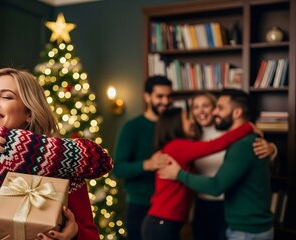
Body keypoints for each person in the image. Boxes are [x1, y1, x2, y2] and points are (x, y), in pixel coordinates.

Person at [0, 67, 113, 239]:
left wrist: (74, 234)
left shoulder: (59, 166)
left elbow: (90, 234)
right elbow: (101, 159)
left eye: (6, 96)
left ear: (29, 112)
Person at [159, 89, 274, 240]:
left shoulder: (231, 136)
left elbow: (225, 148)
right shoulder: (192, 137)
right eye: (195, 107)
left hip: (226, 204)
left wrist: (272, 148)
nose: (202, 111)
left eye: (207, 106)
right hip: (202, 203)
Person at [141, 107, 255, 240]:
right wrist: (248, 127)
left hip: (165, 223)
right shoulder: (176, 146)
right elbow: (214, 146)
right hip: (161, 223)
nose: (191, 122)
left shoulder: (178, 147)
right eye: (187, 118)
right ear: (176, 124)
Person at [113, 76, 173, 240]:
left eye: (169, 96)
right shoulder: (132, 127)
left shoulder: (174, 126)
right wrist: (148, 164)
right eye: (160, 96)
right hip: (140, 204)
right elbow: (118, 169)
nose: (166, 101)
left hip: (169, 206)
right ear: (147, 96)